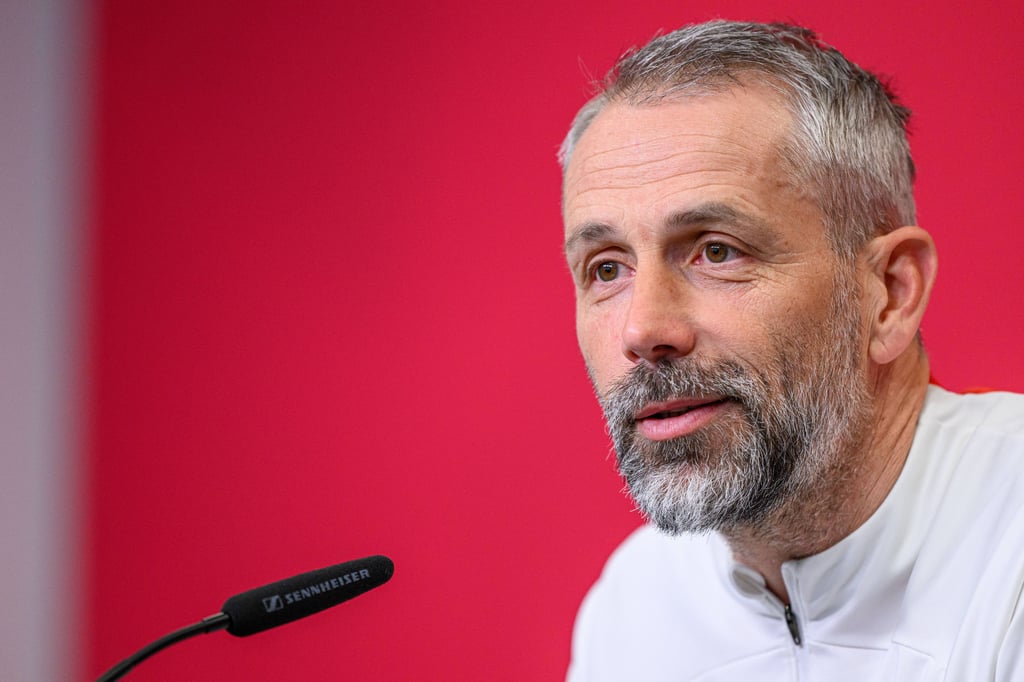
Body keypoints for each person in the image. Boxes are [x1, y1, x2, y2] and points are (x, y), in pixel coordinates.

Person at [559, 20, 1024, 681]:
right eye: (607, 269)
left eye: (717, 251)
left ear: (889, 294)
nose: (642, 330)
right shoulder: (634, 608)